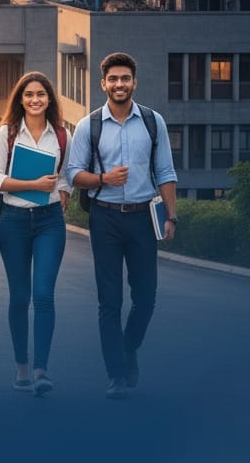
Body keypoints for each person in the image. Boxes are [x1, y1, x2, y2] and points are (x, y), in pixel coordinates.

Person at [65, 52, 178, 400]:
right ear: (103, 84)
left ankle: (127, 349)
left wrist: (171, 216)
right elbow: (73, 174)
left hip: (145, 217)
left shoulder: (152, 121)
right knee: (109, 302)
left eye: (124, 78)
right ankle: (116, 374)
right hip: (106, 218)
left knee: (146, 299)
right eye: (112, 79)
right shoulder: (90, 125)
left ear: (134, 82)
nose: (119, 84)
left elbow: (165, 172)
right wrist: (103, 178)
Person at [0, 71, 70, 395]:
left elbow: (65, 175)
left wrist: (64, 190)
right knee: (20, 297)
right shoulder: (7, 134)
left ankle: (40, 370)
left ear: (49, 99)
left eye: (41, 94)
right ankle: (22, 363)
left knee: (44, 295)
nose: (35, 99)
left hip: (50, 221)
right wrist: (32, 185)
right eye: (29, 94)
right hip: (14, 221)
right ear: (20, 99)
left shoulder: (61, 135)